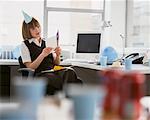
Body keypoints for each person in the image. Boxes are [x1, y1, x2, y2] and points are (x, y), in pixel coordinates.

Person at [20, 11, 82, 95]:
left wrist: (57, 54)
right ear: (27, 30)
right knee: (59, 80)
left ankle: (66, 97)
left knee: (70, 71)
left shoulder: (47, 42)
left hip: (53, 70)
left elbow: (57, 63)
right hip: (40, 74)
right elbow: (30, 67)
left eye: (38, 27)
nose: (37, 30)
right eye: (33, 28)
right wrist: (42, 55)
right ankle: (66, 97)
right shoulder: (25, 45)